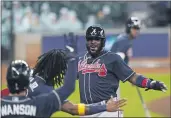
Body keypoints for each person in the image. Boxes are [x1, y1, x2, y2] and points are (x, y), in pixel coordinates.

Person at [1, 48, 127, 117]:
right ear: (58, 71)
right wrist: (104, 106)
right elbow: (74, 109)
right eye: (64, 69)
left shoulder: (29, 73)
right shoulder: (46, 91)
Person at [76, 25, 167, 117]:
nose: (93, 42)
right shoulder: (80, 59)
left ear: (103, 41)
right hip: (86, 110)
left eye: (97, 39)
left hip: (108, 109)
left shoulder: (113, 58)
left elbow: (132, 77)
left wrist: (151, 83)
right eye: (90, 39)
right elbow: (68, 77)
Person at [1, 50, 77, 117]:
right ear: (58, 70)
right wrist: (88, 109)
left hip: (6, 104)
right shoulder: (46, 90)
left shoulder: (27, 72)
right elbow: (72, 109)